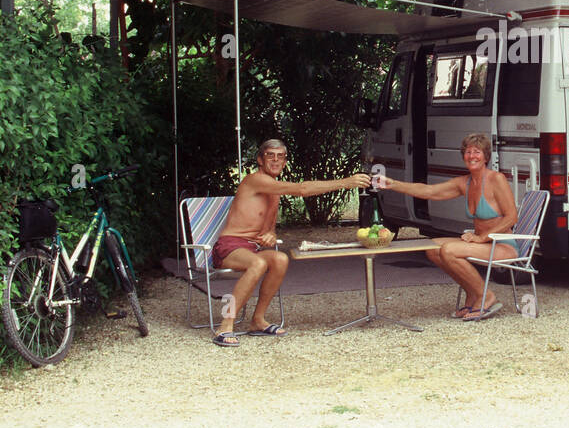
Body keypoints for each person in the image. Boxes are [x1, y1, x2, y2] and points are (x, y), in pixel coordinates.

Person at [211, 139, 371, 347]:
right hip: (229, 246)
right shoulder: (255, 180)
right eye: (270, 155)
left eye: (280, 156)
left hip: (251, 248)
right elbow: (302, 189)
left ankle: (257, 320)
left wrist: (269, 233)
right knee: (258, 264)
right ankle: (225, 324)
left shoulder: (274, 191)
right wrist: (345, 182)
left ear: (285, 161)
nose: (276, 160)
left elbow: (269, 228)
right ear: (260, 159)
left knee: (280, 259)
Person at [380, 132, 517, 321]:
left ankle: (487, 296)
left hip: (503, 244)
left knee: (449, 250)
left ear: (486, 156)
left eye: (477, 152)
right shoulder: (464, 183)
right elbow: (428, 191)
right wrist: (393, 184)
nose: (472, 156)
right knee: (432, 247)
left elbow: (511, 217)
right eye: (468, 152)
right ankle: (473, 294)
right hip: (482, 243)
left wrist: (482, 238)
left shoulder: (496, 179)